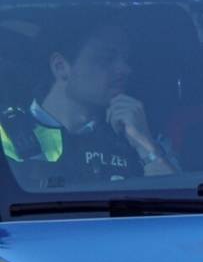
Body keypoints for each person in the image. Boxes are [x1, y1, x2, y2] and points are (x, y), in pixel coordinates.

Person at [0, 23, 177, 187]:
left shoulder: (140, 131)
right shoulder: (7, 135)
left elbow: (177, 210)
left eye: (126, 59)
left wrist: (146, 147)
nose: (125, 69)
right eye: (107, 59)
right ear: (60, 67)